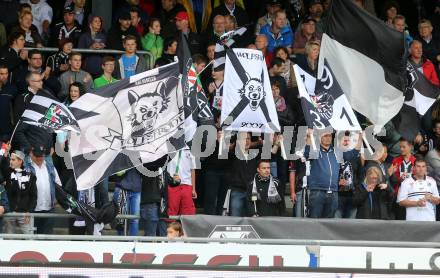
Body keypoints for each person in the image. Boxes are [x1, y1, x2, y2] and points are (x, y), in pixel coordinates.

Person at [304, 131, 362, 218]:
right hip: (317, 191)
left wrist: (361, 137)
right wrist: (309, 137)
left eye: (330, 136)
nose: (328, 138)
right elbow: (307, 153)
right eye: (325, 135)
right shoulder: (315, 151)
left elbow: (353, 154)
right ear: (320, 137)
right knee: (314, 221)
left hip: (333, 192)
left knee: (329, 223)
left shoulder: (337, 151)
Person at [13, 72, 54, 156]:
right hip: (31, 147)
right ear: (31, 82)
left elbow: (50, 122)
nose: (41, 82)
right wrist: (28, 148)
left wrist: (51, 144)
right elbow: (19, 126)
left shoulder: (47, 96)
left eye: (41, 80)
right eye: (38, 81)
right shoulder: (22, 98)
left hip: (46, 147)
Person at [27, 145, 62, 234]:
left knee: (47, 239)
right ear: (31, 154)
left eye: (41, 155)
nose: (39, 158)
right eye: (37, 156)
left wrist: (57, 198)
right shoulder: (26, 168)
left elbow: (58, 184)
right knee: (31, 240)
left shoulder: (50, 167)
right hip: (31, 211)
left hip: (49, 209)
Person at [0, 150, 36, 234]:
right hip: (10, 214)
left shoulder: (30, 175)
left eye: (13, 160)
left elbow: (33, 195)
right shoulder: (6, 174)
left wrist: (29, 211)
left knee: (30, 240)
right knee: (10, 242)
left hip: (24, 214)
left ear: (20, 161)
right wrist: (5, 155)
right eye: (10, 159)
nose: (10, 162)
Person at [228, 132, 259, 217]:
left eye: (248, 138)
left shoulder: (254, 155)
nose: (247, 141)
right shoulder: (233, 155)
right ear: (238, 141)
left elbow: (271, 154)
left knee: (251, 221)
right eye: (244, 139)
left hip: (251, 193)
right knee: (235, 219)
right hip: (237, 191)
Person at [390, 137, 416, 220]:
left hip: (413, 196)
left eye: (404, 147)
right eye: (400, 147)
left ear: (410, 147)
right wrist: (399, 179)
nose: (401, 149)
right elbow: (392, 180)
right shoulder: (395, 160)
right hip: (398, 195)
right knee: (399, 219)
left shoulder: (416, 161)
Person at [166, 149, 197, 216]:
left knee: (188, 213)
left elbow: (192, 170)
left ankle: (184, 226)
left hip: (187, 185)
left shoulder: (189, 150)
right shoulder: (168, 148)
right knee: (172, 212)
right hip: (172, 185)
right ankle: (171, 226)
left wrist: (193, 189)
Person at [0, 65, 18, 141]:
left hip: (6, 130)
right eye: (1, 74)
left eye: (6, 73)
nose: (4, 76)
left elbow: (16, 107)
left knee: (4, 152)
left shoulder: (12, 89)